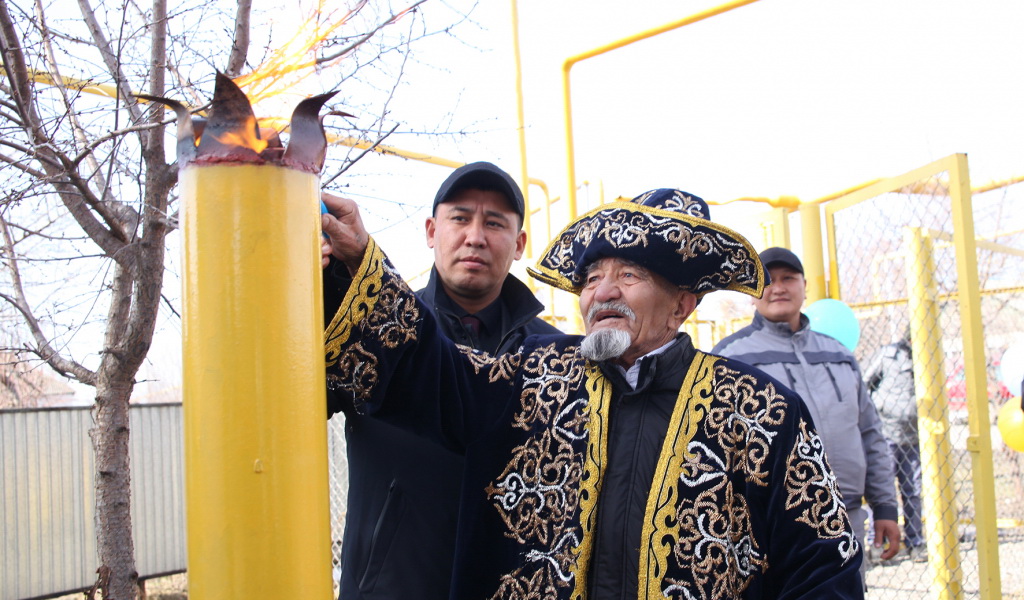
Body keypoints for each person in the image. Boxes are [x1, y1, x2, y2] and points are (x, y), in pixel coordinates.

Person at [321, 188, 864, 599]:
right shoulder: (531, 376)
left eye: (629, 274)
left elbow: (824, 567)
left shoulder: (759, 409)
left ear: (682, 304)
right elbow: (428, 371)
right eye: (591, 277)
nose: (602, 291)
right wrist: (358, 262)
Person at [321, 162, 560, 600]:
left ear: (520, 243)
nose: (475, 236)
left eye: (494, 223)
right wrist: (312, 287)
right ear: (431, 231)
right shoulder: (377, 329)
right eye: (459, 217)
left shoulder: (555, 357)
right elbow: (293, 401)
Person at [712, 247, 901, 578]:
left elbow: (870, 433)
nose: (779, 287)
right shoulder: (730, 359)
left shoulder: (839, 354)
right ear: (752, 293)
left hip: (847, 520)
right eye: (768, 280)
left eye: (789, 278)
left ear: (804, 287)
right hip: (772, 530)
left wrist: (885, 506)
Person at [863, 333, 926, 562]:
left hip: (913, 436)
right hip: (885, 435)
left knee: (913, 491)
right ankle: (877, 544)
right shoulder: (888, 355)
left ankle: (915, 541)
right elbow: (863, 383)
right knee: (881, 491)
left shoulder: (926, 359)